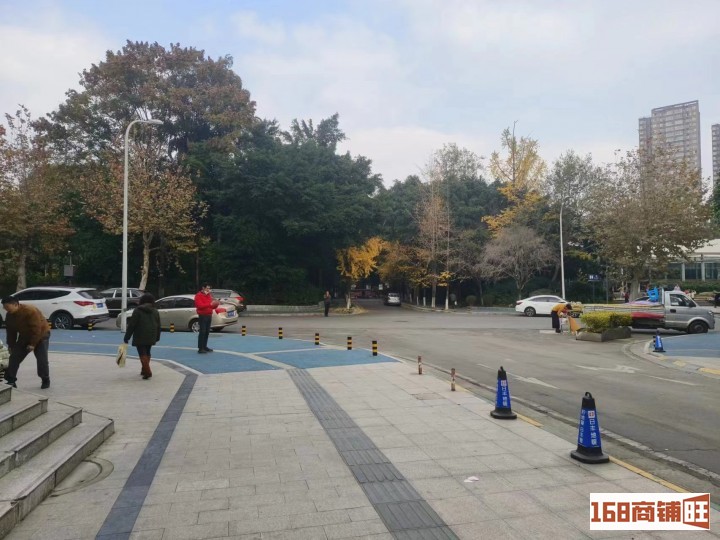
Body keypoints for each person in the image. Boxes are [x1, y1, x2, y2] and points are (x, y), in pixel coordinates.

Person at [2, 296, 51, 389]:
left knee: (42, 359)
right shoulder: (9, 315)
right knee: (14, 357)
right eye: (4, 307)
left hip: (41, 335)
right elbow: (11, 332)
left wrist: (32, 344)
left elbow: (37, 329)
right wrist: (11, 346)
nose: (5, 309)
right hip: (24, 336)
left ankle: (45, 379)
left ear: (15, 304)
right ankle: (11, 380)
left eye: (7, 307)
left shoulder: (30, 311)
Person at [123, 293, 161, 380]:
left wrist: (127, 337)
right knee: (147, 352)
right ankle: (144, 369)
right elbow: (158, 325)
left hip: (140, 335)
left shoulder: (137, 310)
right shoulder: (155, 311)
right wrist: (157, 336)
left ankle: (147, 371)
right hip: (152, 334)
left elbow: (132, 325)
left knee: (142, 353)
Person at [194, 283, 218, 353]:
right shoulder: (198, 295)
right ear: (203, 288)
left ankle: (204, 346)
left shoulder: (209, 295)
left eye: (209, 288)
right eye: (207, 288)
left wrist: (216, 304)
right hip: (202, 315)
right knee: (202, 331)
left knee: (207, 332)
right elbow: (199, 306)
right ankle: (200, 348)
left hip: (209, 315)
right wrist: (209, 304)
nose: (208, 290)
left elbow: (211, 306)